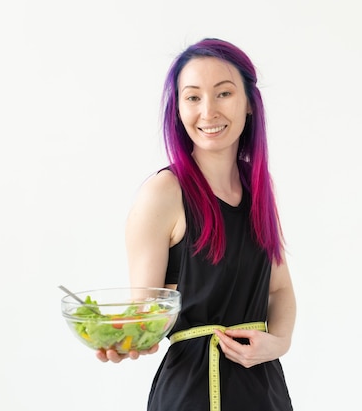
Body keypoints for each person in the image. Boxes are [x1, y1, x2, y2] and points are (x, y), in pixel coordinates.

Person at [96, 38, 296, 411]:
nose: (208, 111)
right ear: (178, 107)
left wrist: (279, 342)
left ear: (249, 103)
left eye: (223, 93)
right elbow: (147, 312)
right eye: (192, 97)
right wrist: (124, 341)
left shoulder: (259, 188)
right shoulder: (163, 193)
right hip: (193, 394)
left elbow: (281, 288)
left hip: (264, 390)